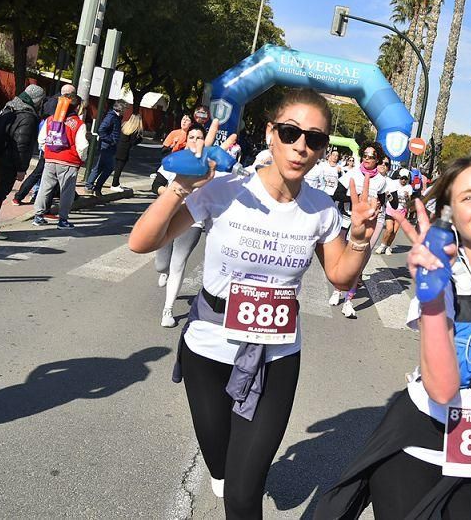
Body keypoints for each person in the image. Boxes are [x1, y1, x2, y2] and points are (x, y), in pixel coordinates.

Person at [127, 88, 380, 519]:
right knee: (222, 465)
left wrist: (358, 237)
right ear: (270, 133)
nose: (301, 145)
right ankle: (225, 471)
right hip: (209, 346)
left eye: (315, 139)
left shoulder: (320, 210)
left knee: (244, 493)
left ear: (323, 149)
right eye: (290, 132)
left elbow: (341, 275)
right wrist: (181, 189)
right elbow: (141, 242)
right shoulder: (225, 190)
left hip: (277, 353)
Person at [315, 153, 471, 519]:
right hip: (420, 448)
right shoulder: (442, 271)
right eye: (468, 197)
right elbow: (442, 388)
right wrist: (432, 296)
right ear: (452, 213)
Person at [154, 123, 207, 327]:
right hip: (168, 215)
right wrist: (173, 194)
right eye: (191, 137)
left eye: (199, 137)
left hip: (193, 220)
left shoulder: (210, 165)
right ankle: (164, 272)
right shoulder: (175, 161)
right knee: (162, 264)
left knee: (179, 262)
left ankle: (167, 310)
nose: (195, 141)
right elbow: (155, 185)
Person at [0, 84, 46, 239]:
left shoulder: (11, 105)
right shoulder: (28, 116)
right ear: (37, 100)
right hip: (9, 160)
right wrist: (21, 168)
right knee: (0, 193)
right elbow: (22, 145)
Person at [329, 142, 389, 319]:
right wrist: (355, 200)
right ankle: (337, 289)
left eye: (371, 156)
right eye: (365, 155)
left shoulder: (381, 181)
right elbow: (336, 195)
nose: (367, 158)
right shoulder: (352, 174)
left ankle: (349, 300)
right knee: (342, 258)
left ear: (377, 158)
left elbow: (384, 201)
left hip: (368, 226)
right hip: (347, 220)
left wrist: (384, 201)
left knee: (358, 262)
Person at [12, 85, 76, 205]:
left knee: (39, 172)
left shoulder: (51, 102)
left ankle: (20, 196)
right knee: (50, 177)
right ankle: (40, 203)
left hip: (48, 143)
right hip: (56, 146)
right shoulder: (62, 108)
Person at [32, 94, 88, 229]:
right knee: (66, 192)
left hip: (50, 158)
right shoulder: (78, 124)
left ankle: (38, 216)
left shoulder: (51, 119)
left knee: (45, 188)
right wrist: (82, 159)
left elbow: (41, 139)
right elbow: (82, 145)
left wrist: (47, 151)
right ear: (77, 107)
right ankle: (63, 220)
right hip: (69, 161)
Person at [86, 101, 125, 195]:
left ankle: (90, 185)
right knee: (108, 168)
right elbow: (101, 130)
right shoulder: (111, 117)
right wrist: (111, 140)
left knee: (99, 166)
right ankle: (96, 187)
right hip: (107, 146)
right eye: (124, 109)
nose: (125, 111)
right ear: (120, 109)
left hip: (109, 146)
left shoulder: (116, 117)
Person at [376, 169, 414, 255]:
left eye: (405, 179)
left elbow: (409, 201)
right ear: (399, 177)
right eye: (402, 178)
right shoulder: (393, 183)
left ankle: (388, 247)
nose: (403, 180)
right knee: (389, 229)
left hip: (401, 211)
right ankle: (382, 245)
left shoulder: (409, 187)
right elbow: (387, 193)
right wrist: (389, 196)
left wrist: (407, 197)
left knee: (394, 231)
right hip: (391, 208)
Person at [112, 113, 144, 188]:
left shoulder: (125, 125)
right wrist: (140, 139)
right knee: (119, 168)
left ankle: (115, 183)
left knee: (113, 166)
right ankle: (114, 184)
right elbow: (133, 142)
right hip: (124, 151)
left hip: (117, 147)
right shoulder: (135, 130)